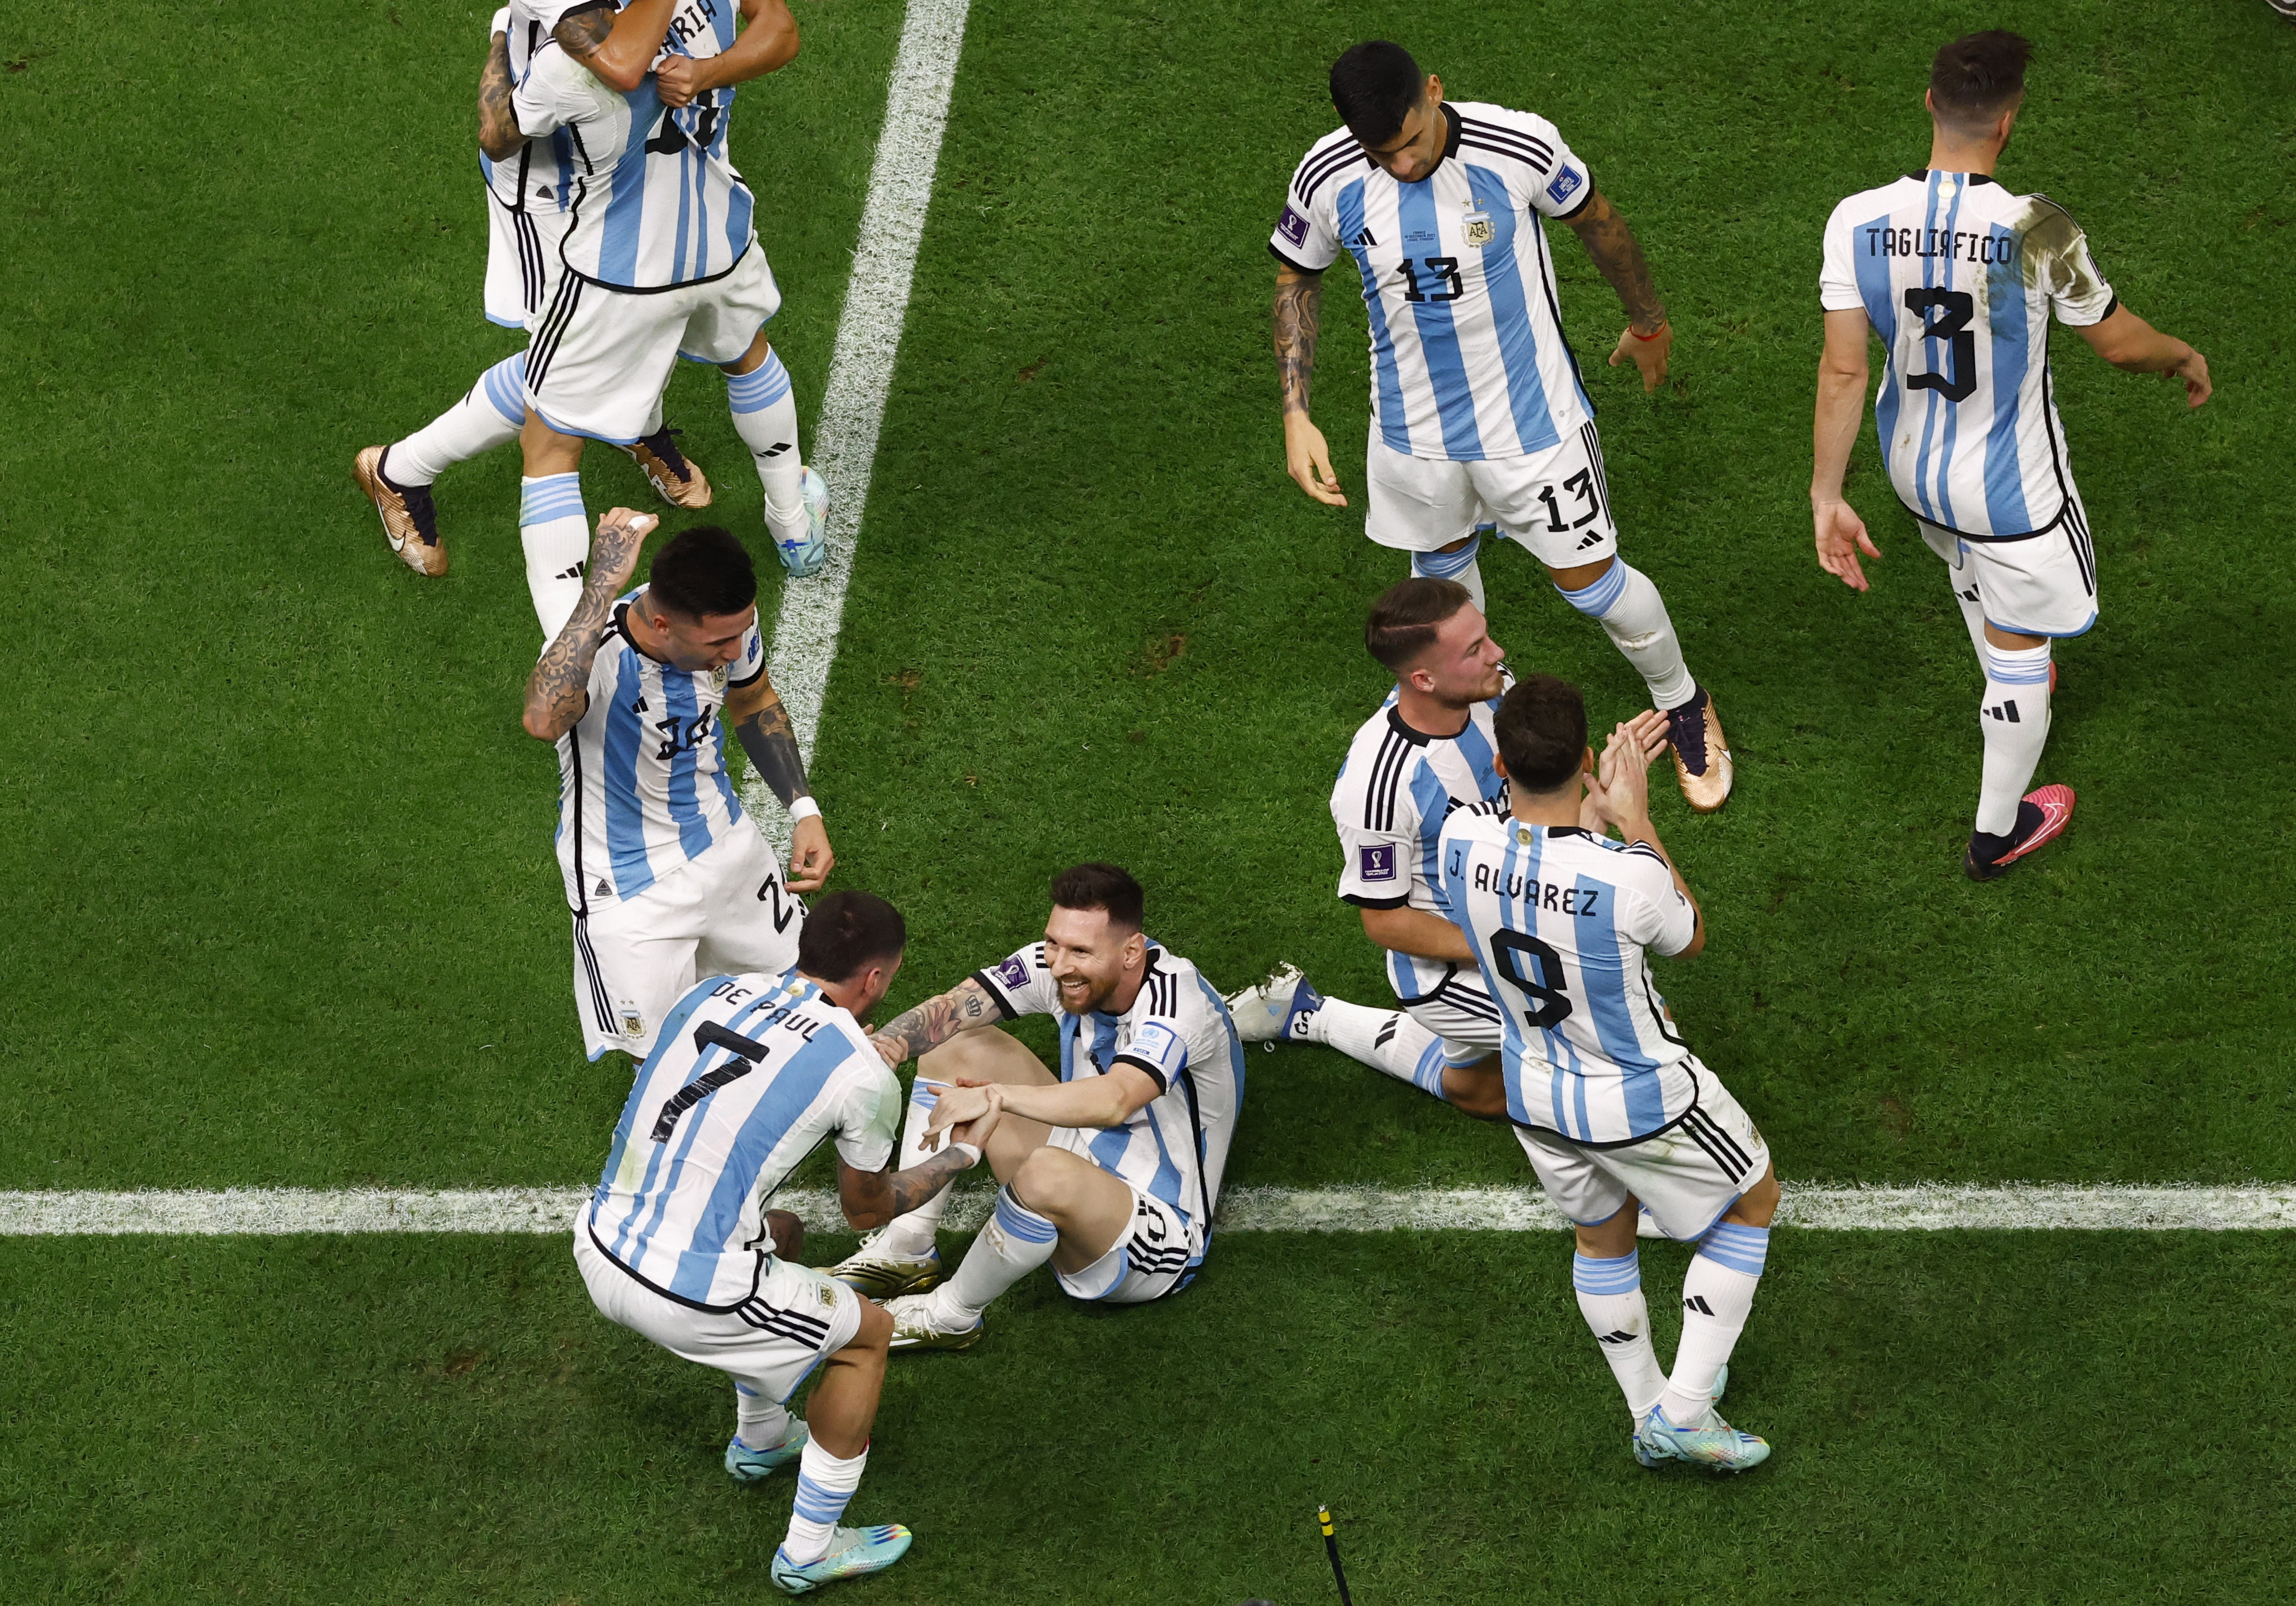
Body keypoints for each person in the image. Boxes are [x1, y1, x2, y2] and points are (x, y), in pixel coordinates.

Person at [1269, 38, 1732, 812]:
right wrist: (1295, 414)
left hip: (1534, 431)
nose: (1403, 165)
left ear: (1435, 91)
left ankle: (1681, 699)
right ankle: (1487, 717)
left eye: (1412, 141)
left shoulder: (1512, 143)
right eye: (1381, 155)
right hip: (1413, 440)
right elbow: (1296, 275)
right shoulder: (1327, 173)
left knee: (1593, 585)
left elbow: (1598, 222)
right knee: (1443, 592)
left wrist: (1647, 322)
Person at [1811, 30, 2211, 880]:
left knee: (1965, 565)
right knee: (2024, 647)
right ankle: (1996, 835)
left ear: (1930, 105)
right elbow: (2115, 344)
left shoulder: (1854, 219)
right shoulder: (2038, 227)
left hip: (1910, 471)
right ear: (2007, 121)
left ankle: (2003, 665)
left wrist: (1824, 494)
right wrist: (2180, 355)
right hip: (2012, 496)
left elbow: (1845, 367)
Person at [575, 890, 994, 1592]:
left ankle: (761, 1440)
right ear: (875, 980)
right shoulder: (860, 1072)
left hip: (596, 1242)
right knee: (868, 1333)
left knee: (785, 1234)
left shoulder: (711, 992)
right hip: (686, 1293)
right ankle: (807, 1551)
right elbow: (867, 1211)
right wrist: (960, 1155)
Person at [1438, 676, 1779, 1472]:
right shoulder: (1628, 875)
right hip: (1639, 1098)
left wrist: (1589, 813)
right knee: (1752, 1198)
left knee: (1600, 1234)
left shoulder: (1458, 841)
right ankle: (1683, 1412)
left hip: (1531, 1091)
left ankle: (1645, 1409)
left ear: (1496, 763)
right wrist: (1635, 820)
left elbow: (1531, 852)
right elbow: (1685, 933)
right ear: (1588, 755)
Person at [352, 3, 711, 603]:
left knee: (651, 300)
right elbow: (605, 72)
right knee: (568, 357)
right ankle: (399, 470)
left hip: (626, 161)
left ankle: (632, 421)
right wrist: (501, 35)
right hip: (553, 189)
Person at [510, 0, 831, 647]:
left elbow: (515, 126)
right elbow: (779, 28)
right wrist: (710, 70)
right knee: (748, 353)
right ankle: (795, 525)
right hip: (720, 236)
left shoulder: (583, 25)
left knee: (548, 446)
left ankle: (572, 659)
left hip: (618, 269)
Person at [820, 865, 1246, 1349]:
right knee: (953, 1045)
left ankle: (952, 1314)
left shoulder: (1179, 1006)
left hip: (1156, 1234)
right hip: (1080, 1151)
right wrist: (877, 1049)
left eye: (1080, 951)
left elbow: (1116, 1099)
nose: (1060, 964)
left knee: (1046, 1171)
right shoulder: (1062, 969)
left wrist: (996, 1096)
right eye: (1053, 943)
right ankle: (908, 1248)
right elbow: (955, 1008)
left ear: (1132, 952)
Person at [522, 509, 834, 1061]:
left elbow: (753, 698)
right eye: (720, 642)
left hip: (723, 842)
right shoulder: (596, 652)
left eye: (741, 632)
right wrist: (600, 586)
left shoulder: (727, 622)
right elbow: (544, 720)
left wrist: (803, 808)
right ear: (664, 624)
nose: (734, 652)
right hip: (628, 892)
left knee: (808, 990)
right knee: (667, 1057)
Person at [1222, 578, 1507, 1119]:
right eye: (1475, 650)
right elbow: (1386, 923)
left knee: (1483, 1095)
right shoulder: (1380, 786)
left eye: (1486, 637)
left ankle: (1307, 1013)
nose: (1497, 654)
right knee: (1598, 1037)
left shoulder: (1491, 689)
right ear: (1423, 678)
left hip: (1508, 903)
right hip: (1451, 968)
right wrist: (1505, 944)